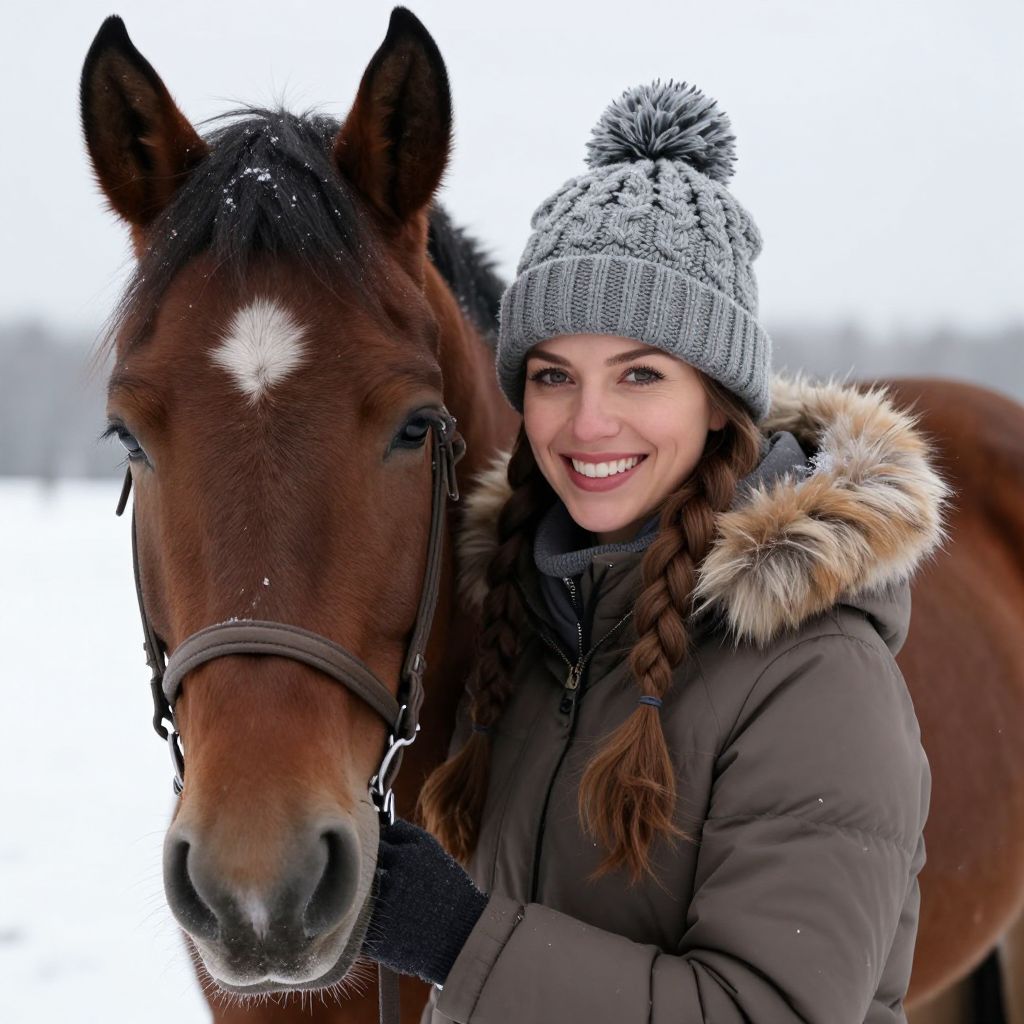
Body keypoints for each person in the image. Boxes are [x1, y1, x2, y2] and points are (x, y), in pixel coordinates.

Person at [361, 81, 948, 1024]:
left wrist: (461, 942)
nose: (589, 423)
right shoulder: (534, 633)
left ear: (719, 399)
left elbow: (771, 1013)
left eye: (640, 373)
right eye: (554, 376)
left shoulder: (818, 678)